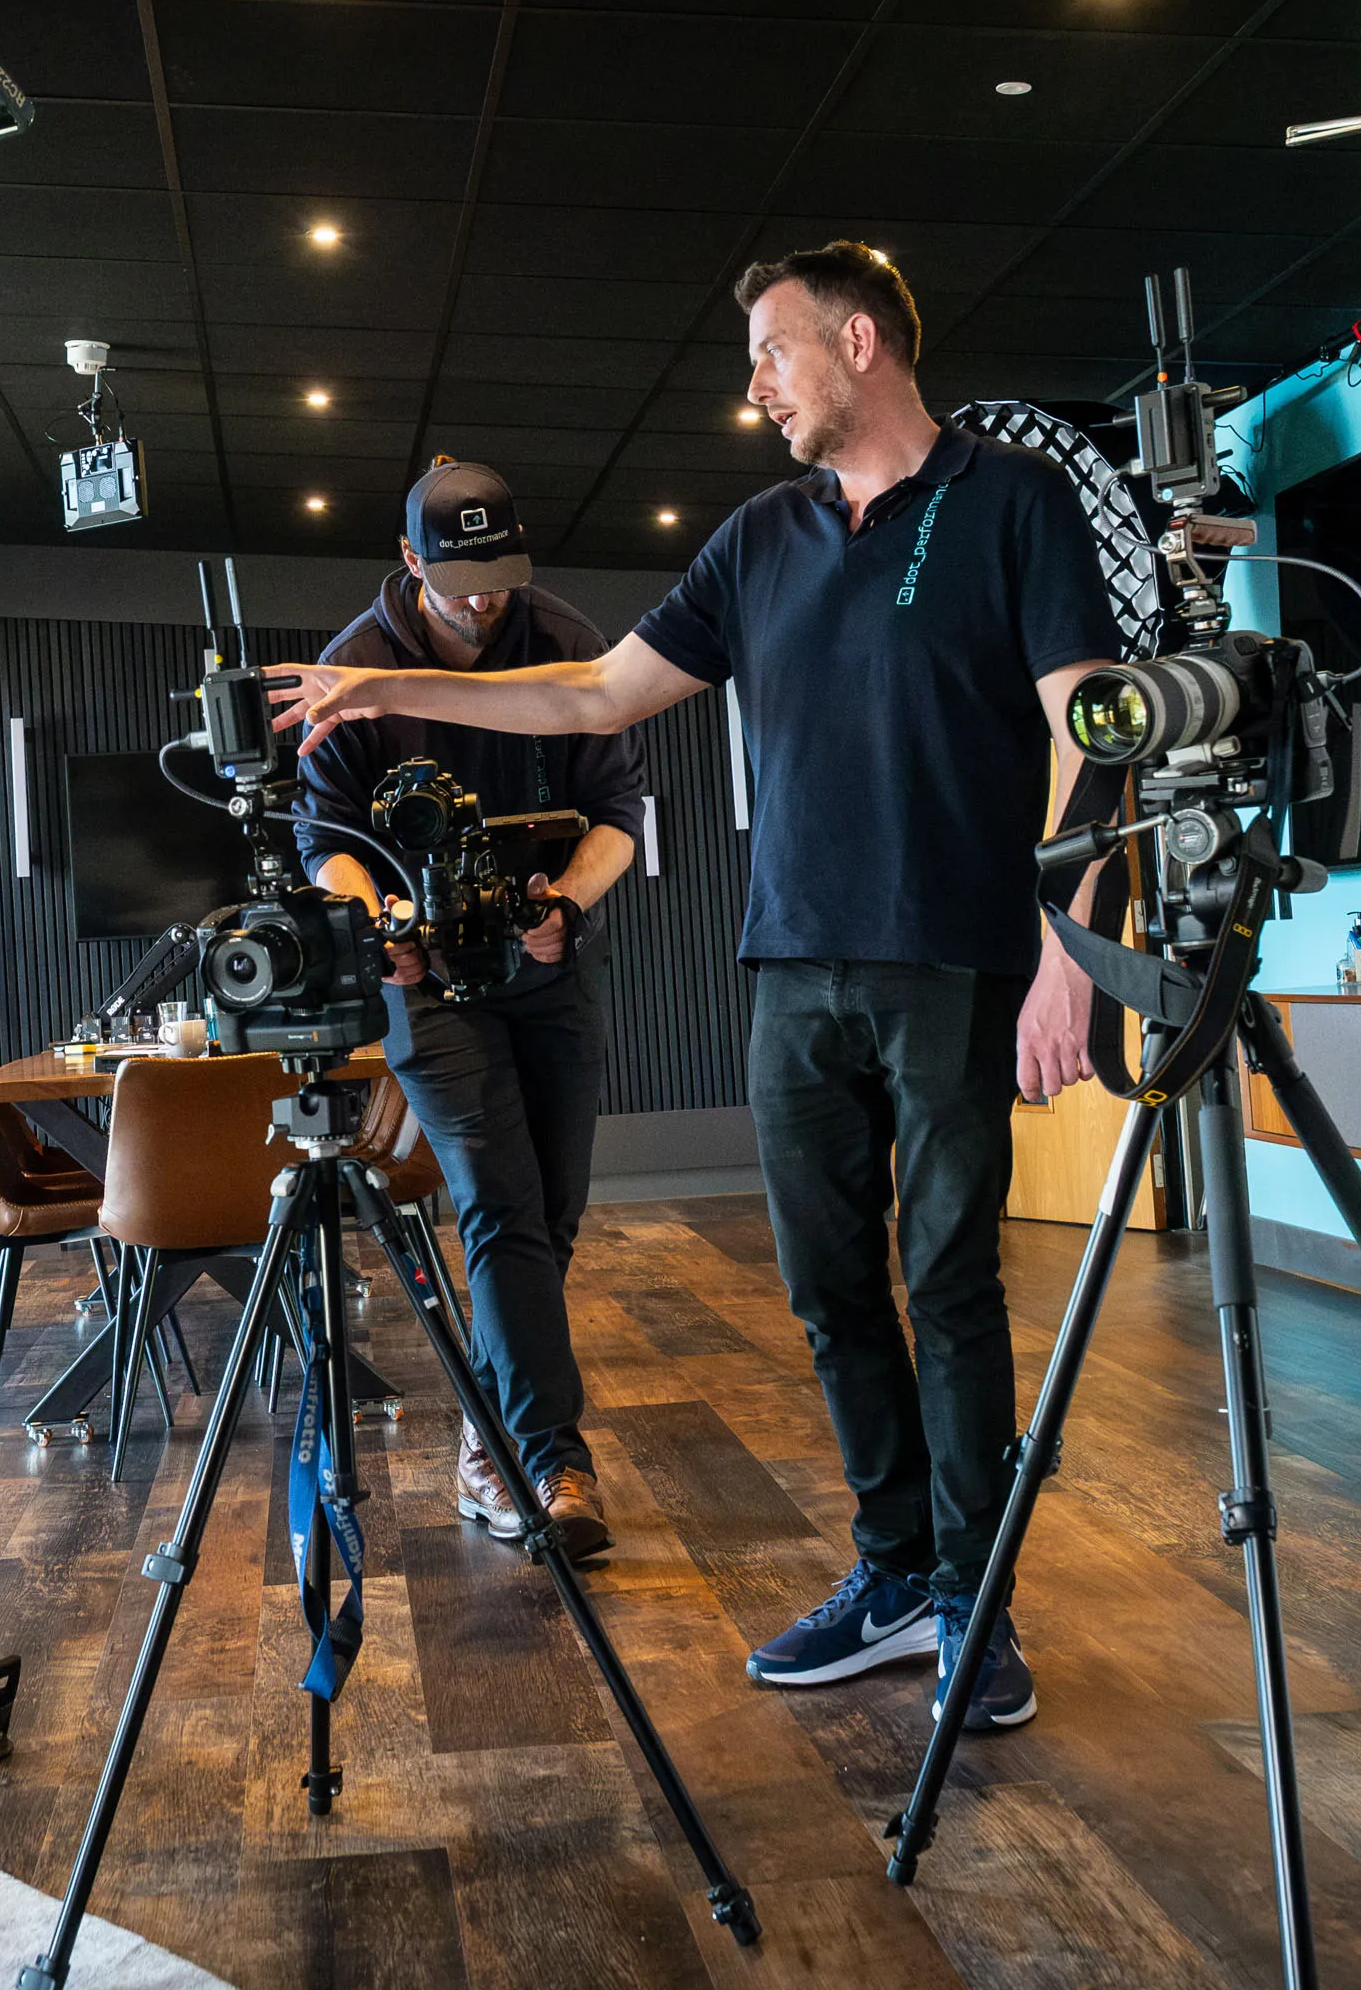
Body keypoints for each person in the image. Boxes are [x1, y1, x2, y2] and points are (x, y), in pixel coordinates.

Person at [269, 242, 1122, 1734]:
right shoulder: (762, 535)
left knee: (948, 1283)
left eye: (773, 353)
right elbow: (598, 693)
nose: (757, 386)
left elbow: (1090, 734)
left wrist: (1074, 952)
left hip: (954, 955)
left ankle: (973, 1603)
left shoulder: (1012, 502)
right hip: (792, 962)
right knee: (828, 1289)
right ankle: (894, 1572)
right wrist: (384, 685)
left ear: (859, 342)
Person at [295, 459, 648, 1562]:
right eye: (459, 580)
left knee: (553, 1211)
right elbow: (322, 841)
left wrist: (568, 902)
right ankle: (548, 1462)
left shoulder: (567, 640)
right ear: (411, 560)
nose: (484, 599)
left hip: (549, 960)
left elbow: (619, 812)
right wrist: (374, 926)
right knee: (498, 1198)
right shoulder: (358, 666)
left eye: (500, 574)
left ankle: (487, 1439)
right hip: (427, 981)